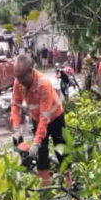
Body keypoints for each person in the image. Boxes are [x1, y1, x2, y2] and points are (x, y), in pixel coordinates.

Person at [10, 54, 70, 187]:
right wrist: (16, 129)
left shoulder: (43, 84)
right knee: (41, 154)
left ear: (30, 71)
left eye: (22, 79)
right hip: (37, 118)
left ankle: (69, 184)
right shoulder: (18, 82)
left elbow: (45, 116)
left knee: (61, 149)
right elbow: (15, 104)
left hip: (55, 117)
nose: (20, 82)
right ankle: (45, 186)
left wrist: (36, 142)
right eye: (18, 78)